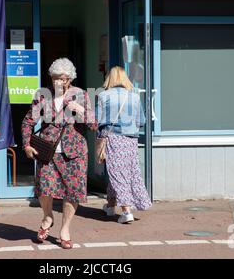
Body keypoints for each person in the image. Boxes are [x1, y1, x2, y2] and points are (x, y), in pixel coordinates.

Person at [21, 58, 96, 249]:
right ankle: (47, 217)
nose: (59, 82)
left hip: (75, 151)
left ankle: (65, 229)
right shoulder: (42, 95)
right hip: (47, 150)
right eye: (55, 78)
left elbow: (94, 125)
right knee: (44, 187)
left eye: (63, 79)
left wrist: (80, 111)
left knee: (72, 191)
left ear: (70, 78)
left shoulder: (81, 95)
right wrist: (27, 145)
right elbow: (28, 121)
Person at [97, 66, 152, 223]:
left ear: (110, 78)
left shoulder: (103, 96)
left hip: (113, 138)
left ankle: (127, 211)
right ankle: (110, 206)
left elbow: (97, 119)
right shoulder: (133, 96)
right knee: (127, 172)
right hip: (131, 140)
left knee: (118, 173)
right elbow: (141, 121)